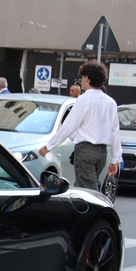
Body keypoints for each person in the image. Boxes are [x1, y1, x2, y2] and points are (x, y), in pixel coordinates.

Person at [39, 62, 121, 191]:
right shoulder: (110, 102)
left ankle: (98, 211)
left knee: (87, 191)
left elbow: (69, 126)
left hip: (86, 151)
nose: (81, 81)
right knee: (90, 187)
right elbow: (115, 132)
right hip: (102, 153)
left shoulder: (84, 99)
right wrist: (115, 160)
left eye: (82, 77)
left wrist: (49, 146)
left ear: (88, 78)